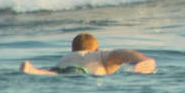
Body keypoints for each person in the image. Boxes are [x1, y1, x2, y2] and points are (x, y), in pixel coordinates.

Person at [20, 32, 156, 76]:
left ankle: (33, 70)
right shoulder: (100, 55)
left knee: (53, 74)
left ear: (73, 50)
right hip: (83, 72)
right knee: (78, 73)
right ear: (96, 49)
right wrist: (142, 60)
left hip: (60, 68)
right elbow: (122, 54)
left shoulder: (66, 57)